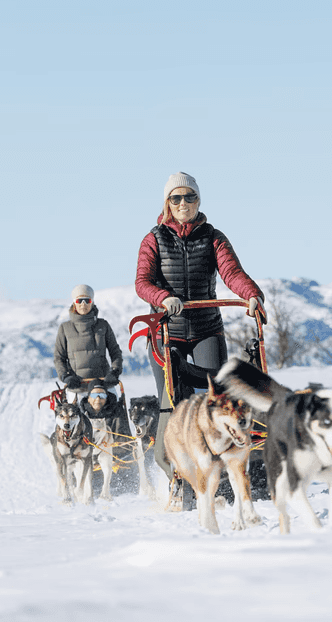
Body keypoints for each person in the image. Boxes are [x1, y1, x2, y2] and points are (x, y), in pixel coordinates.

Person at [135, 172, 264, 486]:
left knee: (217, 398)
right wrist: (164, 298)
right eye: (176, 198)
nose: (183, 203)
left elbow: (231, 272)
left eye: (189, 197)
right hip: (167, 333)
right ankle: (175, 470)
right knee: (173, 401)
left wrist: (251, 294)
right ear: (167, 202)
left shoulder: (213, 237)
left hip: (206, 328)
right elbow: (142, 282)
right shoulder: (154, 238)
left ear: (198, 201)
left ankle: (223, 461)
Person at [54, 284, 123, 395]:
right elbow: (59, 358)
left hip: (103, 385)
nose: (83, 304)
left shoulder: (103, 325)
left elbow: (115, 351)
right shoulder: (65, 328)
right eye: (79, 300)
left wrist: (114, 371)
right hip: (77, 388)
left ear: (92, 302)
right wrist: (66, 376)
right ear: (74, 303)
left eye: (87, 300)